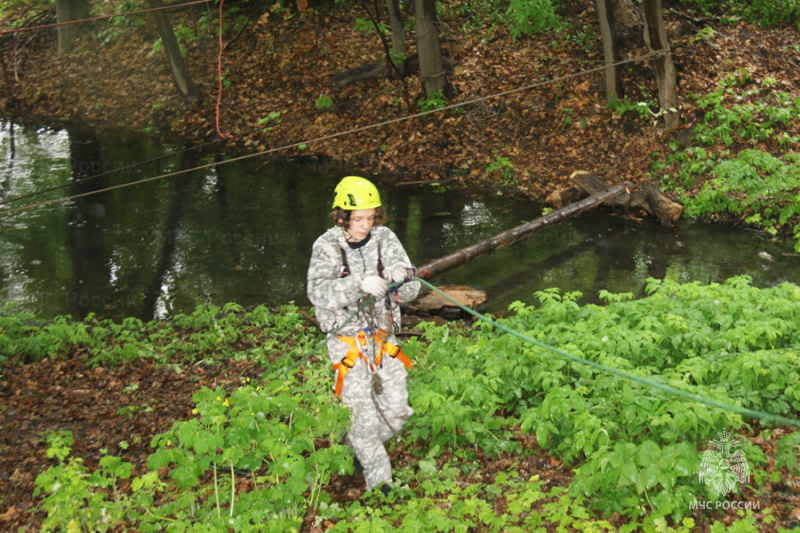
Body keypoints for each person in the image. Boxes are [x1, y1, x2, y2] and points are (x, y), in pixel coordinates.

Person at [307, 176, 420, 495]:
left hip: (384, 343)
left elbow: (412, 290)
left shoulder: (386, 239)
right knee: (364, 420)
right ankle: (380, 483)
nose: (364, 226)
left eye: (370, 218)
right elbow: (317, 292)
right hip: (347, 346)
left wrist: (403, 280)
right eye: (358, 219)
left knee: (399, 412)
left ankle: (354, 442)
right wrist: (359, 284)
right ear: (341, 216)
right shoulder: (326, 246)